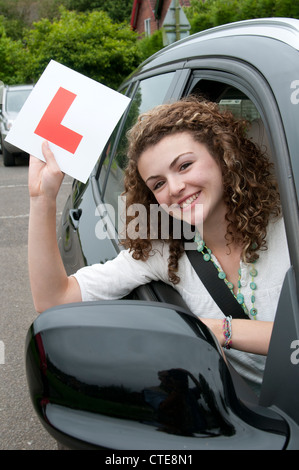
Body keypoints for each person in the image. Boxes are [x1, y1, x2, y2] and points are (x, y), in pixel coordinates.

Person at [28, 96, 290, 394]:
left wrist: (217, 329)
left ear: (223, 155)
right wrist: (42, 199)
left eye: (185, 165)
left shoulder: (288, 228)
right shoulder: (165, 249)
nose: (175, 189)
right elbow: (53, 299)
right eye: (158, 184)